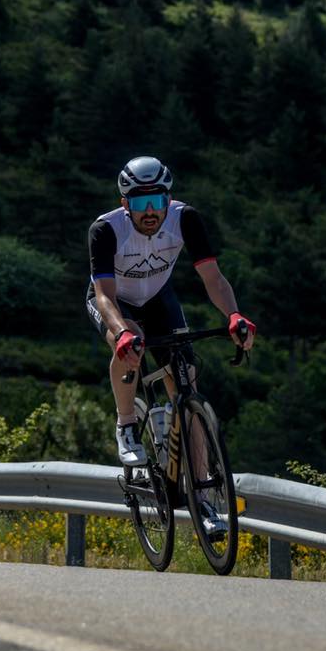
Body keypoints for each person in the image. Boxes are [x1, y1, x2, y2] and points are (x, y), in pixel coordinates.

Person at [86, 156, 256, 469]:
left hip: (157, 296)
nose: (150, 211)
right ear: (125, 204)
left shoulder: (185, 218)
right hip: (114, 301)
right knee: (131, 342)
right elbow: (104, 295)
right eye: (141, 203)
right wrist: (122, 333)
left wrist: (234, 315)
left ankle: (201, 491)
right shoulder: (106, 229)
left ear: (168, 198)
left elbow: (213, 279)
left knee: (187, 380)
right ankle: (126, 425)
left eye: (157, 201)